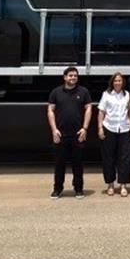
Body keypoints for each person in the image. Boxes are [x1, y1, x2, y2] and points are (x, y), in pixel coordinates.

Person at [47, 66, 92, 199]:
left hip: (78, 134)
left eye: (75, 76)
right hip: (61, 134)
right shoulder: (56, 92)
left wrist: (84, 128)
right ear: (65, 77)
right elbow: (50, 110)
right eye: (70, 75)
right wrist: (54, 130)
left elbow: (88, 109)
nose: (73, 78)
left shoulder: (83, 92)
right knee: (59, 164)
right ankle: (57, 189)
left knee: (77, 164)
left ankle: (78, 189)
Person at [97, 72, 130, 197]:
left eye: (120, 81)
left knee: (125, 158)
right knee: (108, 157)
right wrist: (100, 128)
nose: (118, 83)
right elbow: (101, 112)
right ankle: (110, 184)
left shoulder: (127, 94)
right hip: (109, 128)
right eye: (116, 81)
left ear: (123, 82)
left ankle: (123, 185)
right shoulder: (106, 95)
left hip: (124, 129)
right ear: (112, 82)